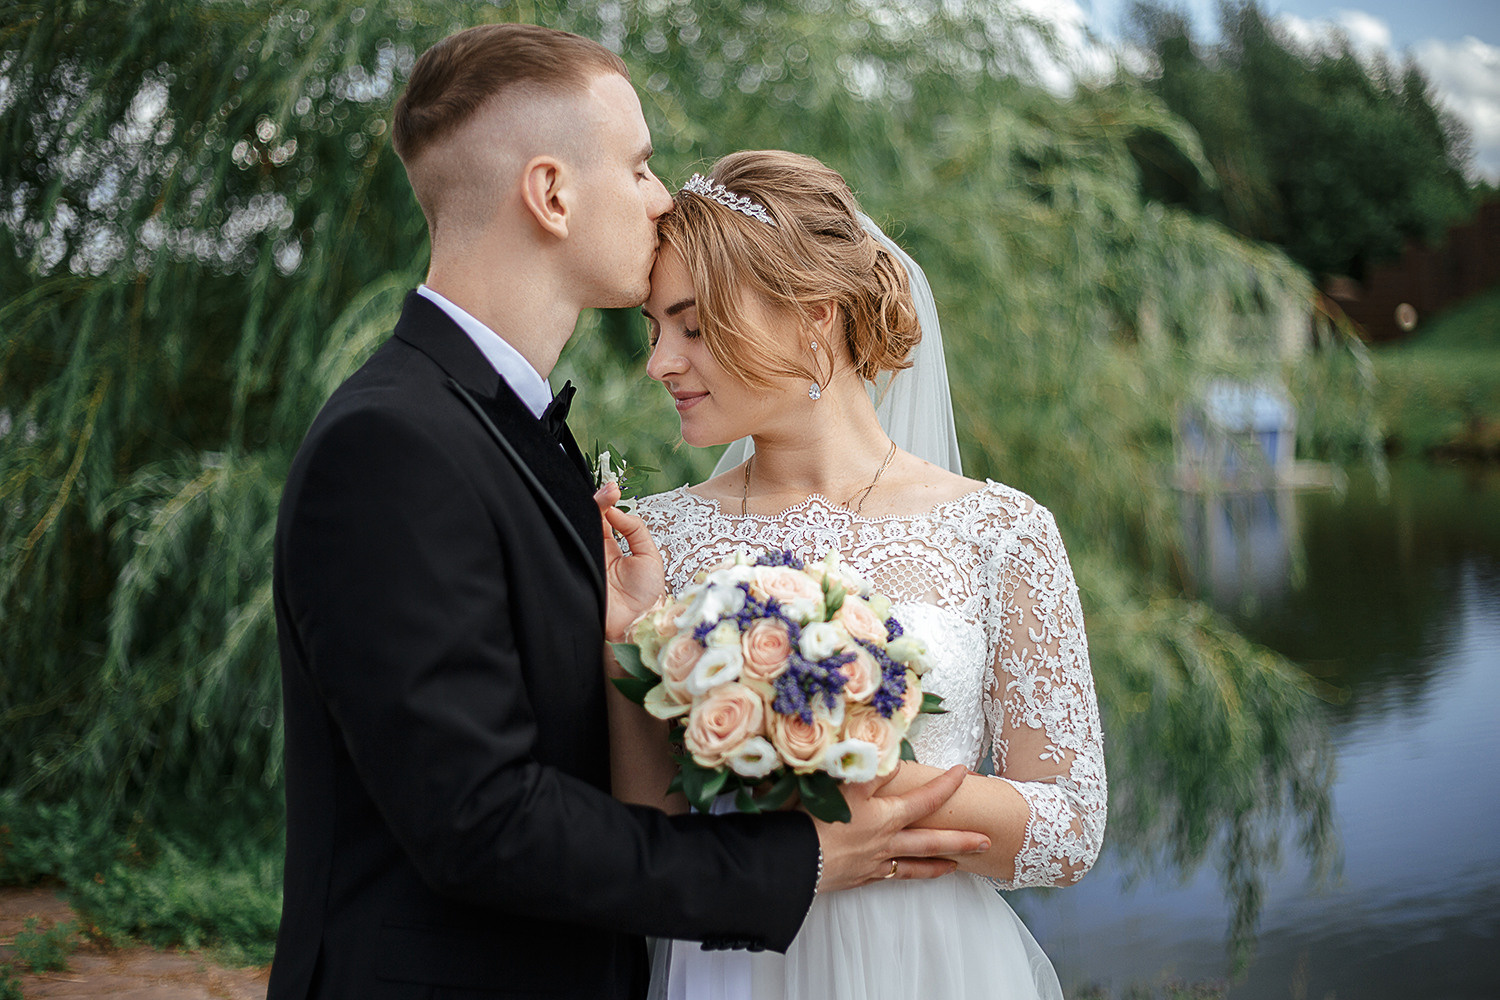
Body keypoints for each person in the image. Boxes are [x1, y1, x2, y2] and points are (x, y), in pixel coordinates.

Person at [268, 25, 991, 1000]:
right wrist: (800, 859)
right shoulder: (390, 446)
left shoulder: (511, 434)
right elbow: (482, 822)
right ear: (552, 193)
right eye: (641, 164)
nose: (661, 198)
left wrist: (634, 644)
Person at [619, 150, 1108, 1000]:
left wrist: (855, 767)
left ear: (813, 315)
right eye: (655, 329)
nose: (659, 361)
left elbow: (1068, 831)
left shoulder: (1001, 532)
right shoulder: (656, 540)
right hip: (734, 964)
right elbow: (642, 831)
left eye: (692, 326)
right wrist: (621, 638)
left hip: (935, 967)